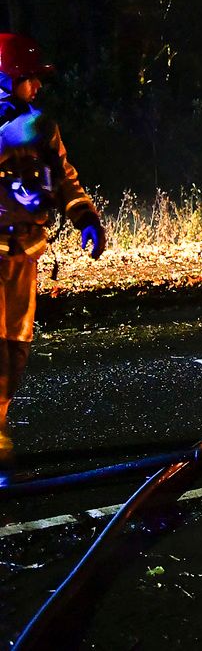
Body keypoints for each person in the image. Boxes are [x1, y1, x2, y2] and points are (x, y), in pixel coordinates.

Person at [0, 34, 105, 463]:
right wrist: (7, 140)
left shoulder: (41, 126)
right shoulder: (16, 128)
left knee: (14, 348)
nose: (38, 86)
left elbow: (63, 178)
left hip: (24, 254)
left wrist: (86, 218)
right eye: (29, 78)